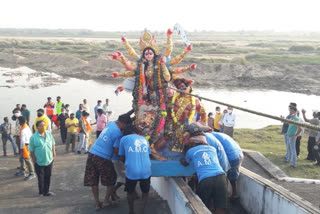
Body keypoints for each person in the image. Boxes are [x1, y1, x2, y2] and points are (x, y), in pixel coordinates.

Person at [84, 111, 132, 211]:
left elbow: (124, 116)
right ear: (124, 124)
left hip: (92, 153)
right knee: (111, 179)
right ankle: (106, 201)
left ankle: (97, 203)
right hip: (103, 157)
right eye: (126, 126)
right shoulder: (118, 133)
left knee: (94, 179)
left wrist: (132, 110)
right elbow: (116, 151)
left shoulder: (111, 124)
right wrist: (124, 160)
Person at [180, 135, 228, 214]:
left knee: (203, 205)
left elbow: (185, 163)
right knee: (220, 205)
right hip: (221, 177)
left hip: (206, 179)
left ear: (193, 143)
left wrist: (181, 160)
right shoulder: (213, 149)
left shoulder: (191, 151)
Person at [119, 126, 152, 214]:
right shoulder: (145, 139)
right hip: (146, 169)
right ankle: (142, 211)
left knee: (130, 192)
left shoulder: (123, 139)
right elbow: (149, 155)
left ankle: (131, 211)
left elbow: (121, 156)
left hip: (131, 170)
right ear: (135, 132)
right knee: (145, 192)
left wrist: (127, 162)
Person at [212, 132, 243, 200]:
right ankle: (233, 193)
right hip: (238, 154)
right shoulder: (218, 134)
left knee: (223, 176)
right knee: (232, 176)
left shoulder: (210, 138)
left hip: (230, 156)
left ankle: (224, 197)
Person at [30, 120, 56, 196]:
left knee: (48, 176)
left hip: (49, 159)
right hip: (39, 161)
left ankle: (46, 191)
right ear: (37, 127)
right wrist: (34, 160)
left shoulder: (48, 134)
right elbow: (31, 150)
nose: (43, 127)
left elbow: (53, 144)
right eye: (41, 126)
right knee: (41, 178)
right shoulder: (33, 137)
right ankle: (41, 192)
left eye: (44, 125)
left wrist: (54, 154)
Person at [16, 116, 36, 180]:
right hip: (27, 144)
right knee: (21, 158)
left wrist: (22, 148)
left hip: (25, 146)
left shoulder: (23, 130)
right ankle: (22, 171)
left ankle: (32, 173)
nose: (18, 122)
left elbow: (22, 141)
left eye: (18, 121)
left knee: (27, 159)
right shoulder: (26, 127)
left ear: (20, 122)